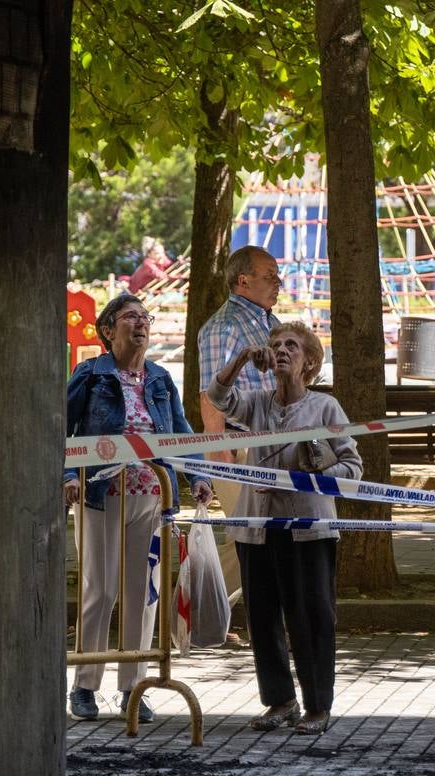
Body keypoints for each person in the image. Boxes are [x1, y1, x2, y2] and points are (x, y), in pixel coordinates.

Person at [206, 321, 363, 736]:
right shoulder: (257, 402)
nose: (281, 350)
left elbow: (353, 469)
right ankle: (281, 700)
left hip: (308, 529)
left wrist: (318, 464)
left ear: (310, 361)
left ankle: (317, 705)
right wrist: (241, 358)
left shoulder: (325, 408)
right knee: (261, 617)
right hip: (257, 527)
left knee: (311, 616)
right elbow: (217, 397)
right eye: (275, 344)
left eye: (291, 345)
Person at [64, 293, 213, 723]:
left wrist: (198, 477)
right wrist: (68, 476)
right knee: (101, 589)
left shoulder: (160, 379)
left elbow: (181, 434)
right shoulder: (90, 375)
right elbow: (64, 427)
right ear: (108, 330)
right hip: (100, 494)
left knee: (142, 594)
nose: (140, 324)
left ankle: (135, 687)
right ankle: (85, 685)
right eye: (130, 317)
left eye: (144, 317)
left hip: (152, 495)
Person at [197, 246, 284, 611]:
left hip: (274, 443)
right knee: (247, 535)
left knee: (264, 534)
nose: (278, 282)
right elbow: (210, 390)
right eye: (269, 275)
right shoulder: (225, 325)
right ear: (243, 280)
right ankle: (194, 612)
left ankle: (214, 614)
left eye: (278, 274)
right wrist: (219, 447)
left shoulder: (271, 323)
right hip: (237, 441)